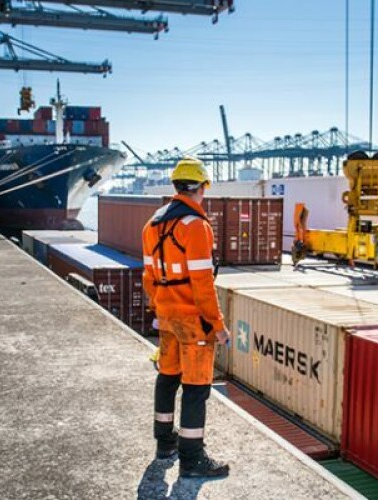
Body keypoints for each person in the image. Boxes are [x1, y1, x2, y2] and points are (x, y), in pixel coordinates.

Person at [142, 157, 231, 478]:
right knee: (196, 387)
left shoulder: (151, 226)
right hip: (195, 321)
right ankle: (192, 461)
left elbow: (148, 278)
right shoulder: (196, 226)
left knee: (167, 377)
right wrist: (218, 326)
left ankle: (165, 444)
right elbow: (203, 284)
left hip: (166, 318)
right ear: (202, 187)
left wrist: (162, 308)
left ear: (177, 186)